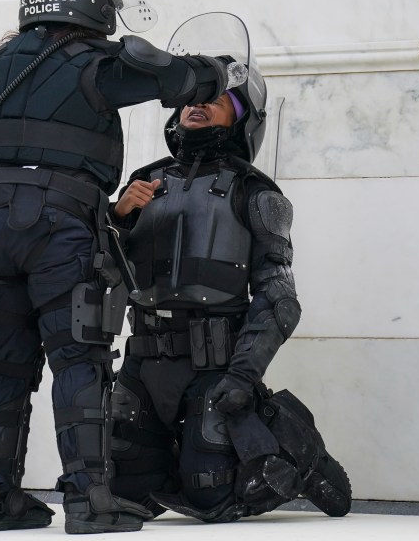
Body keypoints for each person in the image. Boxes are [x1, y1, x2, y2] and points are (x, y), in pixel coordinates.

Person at [0, 0, 231, 534]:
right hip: (57, 222)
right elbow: (186, 80)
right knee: (78, 357)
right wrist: (215, 70)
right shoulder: (96, 62)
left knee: (7, 364)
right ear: (93, 0)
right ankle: (88, 503)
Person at [108, 73, 353, 522]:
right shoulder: (142, 184)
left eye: (216, 99)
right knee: (125, 494)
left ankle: (300, 454)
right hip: (143, 364)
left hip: (214, 368)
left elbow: (279, 299)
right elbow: (97, 270)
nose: (197, 105)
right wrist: (118, 218)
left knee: (211, 499)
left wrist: (241, 378)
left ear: (242, 118)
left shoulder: (255, 192)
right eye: (192, 97)